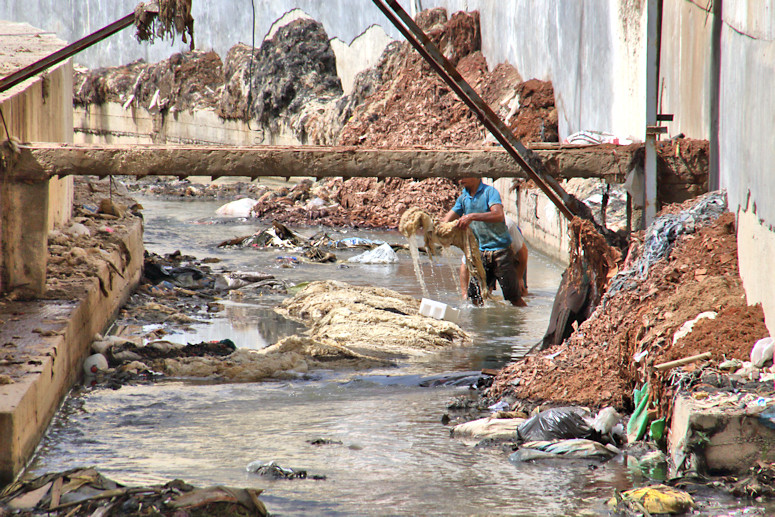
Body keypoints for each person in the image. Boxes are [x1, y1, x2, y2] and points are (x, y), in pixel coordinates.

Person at [442, 177, 526, 307]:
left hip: (501, 254)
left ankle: (523, 323)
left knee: (514, 299)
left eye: (464, 176)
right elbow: (445, 222)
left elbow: (498, 215)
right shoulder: (463, 198)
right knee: (475, 299)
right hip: (481, 254)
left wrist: (471, 216)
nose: (460, 179)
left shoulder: (490, 192)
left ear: (475, 176)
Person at [459, 215, 528, 299]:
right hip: (487, 258)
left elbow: (523, 252)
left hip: (512, 256)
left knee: (519, 293)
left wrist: (519, 278)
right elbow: (465, 265)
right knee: (483, 294)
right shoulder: (475, 235)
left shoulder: (507, 225)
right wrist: (464, 294)